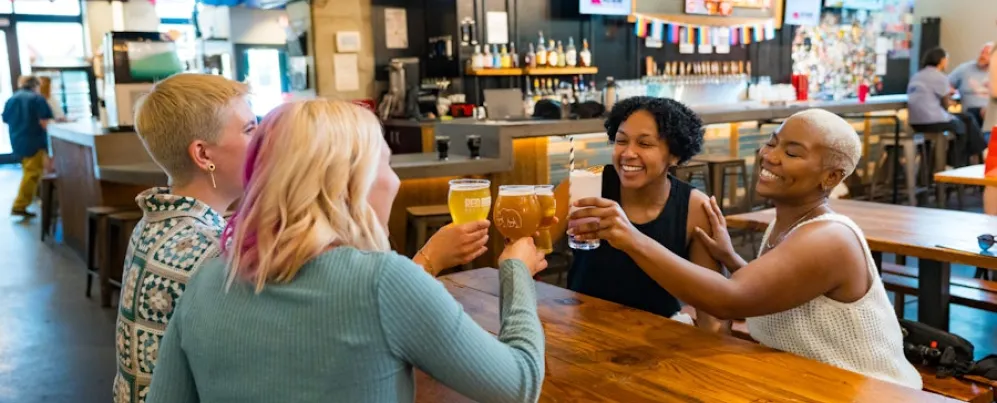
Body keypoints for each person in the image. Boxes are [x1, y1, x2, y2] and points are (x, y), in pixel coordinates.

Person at [145, 100, 547, 403]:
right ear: (351, 183)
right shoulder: (383, 281)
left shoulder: (209, 278)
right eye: (387, 166)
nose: (394, 182)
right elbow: (519, 383)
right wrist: (516, 273)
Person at [569, 109, 922, 389]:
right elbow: (783, 292)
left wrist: (631, 238)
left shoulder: (829, 238)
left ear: (830, 177)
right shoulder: (785, 225)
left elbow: (729, 300)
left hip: (868, 391)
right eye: (772, 142)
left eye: (792, 152)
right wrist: (735, 261)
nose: (770, 157)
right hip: (806, 381)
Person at [551, 96, 726, 332]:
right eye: (621, 141)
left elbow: (712, 308)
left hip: (657, 338)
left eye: (644, 144)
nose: (628, 153)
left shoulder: (695, 208)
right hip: (582, 330)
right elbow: (528, 251)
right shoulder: (583, 186)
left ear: (674, 155)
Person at [908, 47, 987, 168]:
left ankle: (976, 154)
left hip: (915, 123)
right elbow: (945, 105)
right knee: (963, 127)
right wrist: (952, 103)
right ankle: (957, 163)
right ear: (942, 61)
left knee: (967, 118)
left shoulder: (917, 76)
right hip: (934, 121)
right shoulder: (939, 77)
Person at [2, 75, 53, 218]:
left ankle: (35, 198)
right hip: (34, 140)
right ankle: (20, 205)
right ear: (36, 85)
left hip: (17, 140)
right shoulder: (37, 99)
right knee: (32, 173)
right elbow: (44, 122)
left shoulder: (12, 99)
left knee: (28, 170)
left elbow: (6, 119)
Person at [949, 42, 994, 127]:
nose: (982, 56)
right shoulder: (964, 69)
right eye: (982, 52)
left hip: (990, 113)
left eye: (986, 53)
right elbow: (946, 84)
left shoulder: (994, 72)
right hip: (969, 113)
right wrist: (952, 94)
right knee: (971, 115)